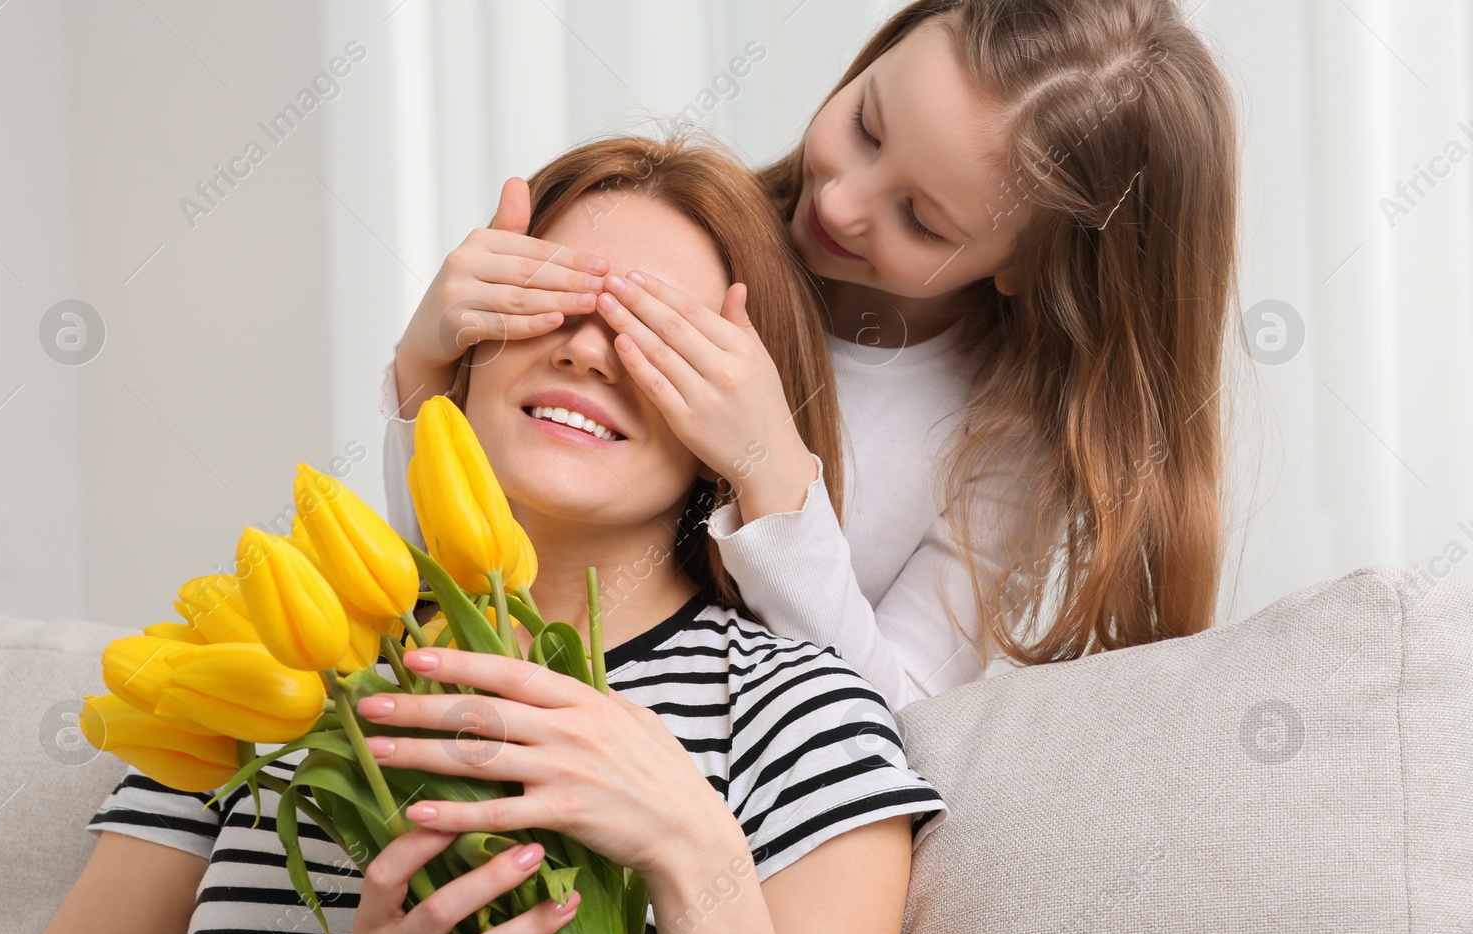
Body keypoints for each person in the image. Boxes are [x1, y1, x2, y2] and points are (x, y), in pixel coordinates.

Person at [0, 134, 946, 934]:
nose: (588, 351)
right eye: (544, 298)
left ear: (736, 417)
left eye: (659, 335)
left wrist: (690, 843)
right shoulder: (271, 661)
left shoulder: (793, 713)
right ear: (463, 341)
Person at [384, 0, 1240, 709]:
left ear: (1023, 264)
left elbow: (894, 723)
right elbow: (466, 560)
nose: (841, 198)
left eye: (923, 219)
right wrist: (424, 378)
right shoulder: (701, 235)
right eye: (867, 125)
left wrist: (773, 472)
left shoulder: (1002, 442)